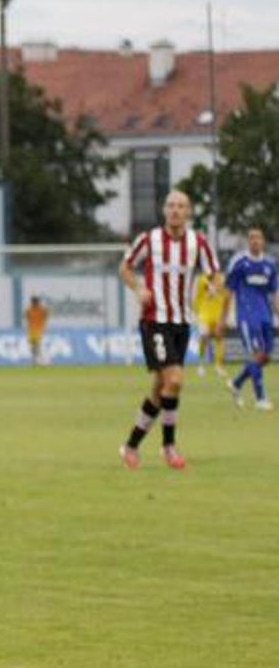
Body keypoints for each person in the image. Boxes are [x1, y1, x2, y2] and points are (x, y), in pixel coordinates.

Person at [118, 190, 221, 470]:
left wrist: (213, 290)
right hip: (154, 320)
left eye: (181, 206)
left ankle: (131, 446)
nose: (175, 210)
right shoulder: (149, 239)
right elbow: (125, 268)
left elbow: (214, 274)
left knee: (160, 388)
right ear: (164, 210)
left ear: (188, 212)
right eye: (171, 205)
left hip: (181, 323)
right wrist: (138, 288)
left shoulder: (198, 243)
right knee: (174, 380)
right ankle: (168, 447)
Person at [225, 225, 277, 411]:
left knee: (265, 356)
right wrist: (224, 318)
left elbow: (274, 294)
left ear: (263, 241)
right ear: (248, 241)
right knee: (256, 354)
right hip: (246, 317)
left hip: (265, 317)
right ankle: (260, 398)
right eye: (252, 237)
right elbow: (228, 291)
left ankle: (236, 383)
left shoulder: (270, 264)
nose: (255, 241)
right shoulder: (239, 263)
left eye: (258, 237)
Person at [191, 268, 230, 378]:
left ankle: (218, 366)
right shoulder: (202, 280)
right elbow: (197, 297)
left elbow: (226, 297)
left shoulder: (221, 279)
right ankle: (200, 364)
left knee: (218, 337)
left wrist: (224, 317)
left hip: (217, 313)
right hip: (204, 314)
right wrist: (196, 311)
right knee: (204, 336)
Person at [24, 295, 49, 366]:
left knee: (37, 345)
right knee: (33, 346)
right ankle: (35, 360)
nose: (34, 303)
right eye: (33, 302)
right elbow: (27, 318)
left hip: (38, 329)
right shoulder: (29, 310)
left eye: (35, 302)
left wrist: (43, 325)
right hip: (31, 330)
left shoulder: (41, 309)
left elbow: (45, 315)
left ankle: (42, 360)